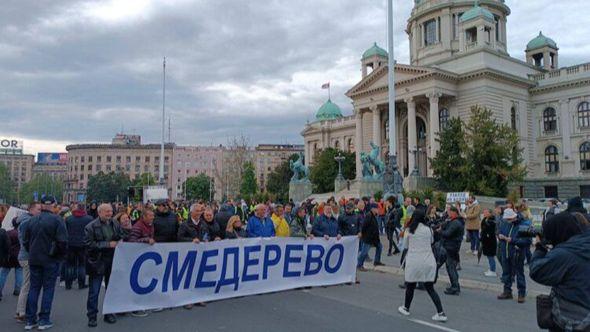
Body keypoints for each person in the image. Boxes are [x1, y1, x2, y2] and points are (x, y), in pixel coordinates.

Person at [529, 212, 590, 331]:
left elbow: (537, 271)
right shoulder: (584, 244)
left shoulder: (565, 253)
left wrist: (540, 247)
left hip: (571, 320)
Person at [23, 196, 68, 330]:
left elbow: (26, 241)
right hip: (50, 259)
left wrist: (32, 251)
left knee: (34, 288)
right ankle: (44, 319)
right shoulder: (57, 220)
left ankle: (30, 320)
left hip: (34, 258)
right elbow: (63, 242)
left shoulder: (32, 220)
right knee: (48, 289)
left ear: (42, 205)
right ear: (54, 205)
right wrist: (60, 256)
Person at [397, 210, 447, 322]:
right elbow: (431, 241)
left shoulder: (409, 230)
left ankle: (406, 308)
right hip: (428, 261)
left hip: (414, 261)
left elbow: (405, 245)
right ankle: (441, 313)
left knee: (410, 286)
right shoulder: (428, 230)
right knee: (430, 288)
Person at [85, 203, 127, 327]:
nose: (110, 213)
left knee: (111, 290)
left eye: (110, 211)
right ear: (99, 213)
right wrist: (107, 244)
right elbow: (89, 244)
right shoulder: (90, 227)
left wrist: (123, 236)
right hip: (97, 261)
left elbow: (121, 234)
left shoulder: (115, 223)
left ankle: (109, 313)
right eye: (107, 211)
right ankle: (92, 316)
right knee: (94, 291)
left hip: (113, 260)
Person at [497, 208, 531, 303]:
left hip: (517, 253)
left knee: (519, 273)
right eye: (506, 220)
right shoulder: (505, 222)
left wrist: (512, 240)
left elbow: (527, 241)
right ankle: (507, 291)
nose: (507, 221)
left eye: (509, 219)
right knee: (506, 272)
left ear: (513, 217)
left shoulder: (524, 224)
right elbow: (499, 231)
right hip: (505, 251)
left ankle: (521, 294)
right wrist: (500, 236)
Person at [14, 202, 41, 323]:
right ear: (31, 210)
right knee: (27, 285)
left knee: (27, 284)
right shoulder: (27, 222)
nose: (40, 211)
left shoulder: (24, 220)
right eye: (38, 209)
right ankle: (22, 312)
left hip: (25, 256)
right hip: (27, 257)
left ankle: (21, 311)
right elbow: (26, 241)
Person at [64, 203, 92, 290]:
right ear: (83, 209)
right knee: (81, 265)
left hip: (71, 244)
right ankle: (81, 284)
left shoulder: (69, 219)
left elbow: (65, 231)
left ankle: (68, 284)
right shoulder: (89, 219)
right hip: (83, 244)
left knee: (70, 265)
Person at [437, 206, 464, 295]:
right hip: (451, 247)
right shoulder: (455, 221)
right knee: (450, 267)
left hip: (451, 248)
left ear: (454, 213)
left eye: (449, 212)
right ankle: (455, 286)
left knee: (451, 268)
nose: (448, 213)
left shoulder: (456, 223)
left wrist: (440, 231)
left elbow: (448, 234)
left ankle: (455, 287)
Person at [357, 203, 384, 271]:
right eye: (377, 208)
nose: (378, 210)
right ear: (373, 209)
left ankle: (376, 261)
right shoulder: (369, 215)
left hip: (374, 238)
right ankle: (359, 265)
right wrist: (362, 233)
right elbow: (364, 226)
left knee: (379, 247)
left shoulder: (374, 215)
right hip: (368, 238)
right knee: (364, 252)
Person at [0, 217, 22, 302]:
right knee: (19, 272)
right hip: (19, 255)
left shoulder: (8, 233)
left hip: (9, 256)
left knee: (4, 273)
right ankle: (17, 289)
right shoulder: (22, 233)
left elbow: (6, 244)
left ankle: (0, 289)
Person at [480, 208, 497, 277]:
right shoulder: (485, 219)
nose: (484, 213)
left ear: (490, 213)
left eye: (486, 212)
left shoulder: (492, 220)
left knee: (491, 256)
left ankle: (493, 271)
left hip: (490, 241)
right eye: (484, 212)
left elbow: (490, 231)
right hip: (485, 241)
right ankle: (491, 269)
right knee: (488, 256)